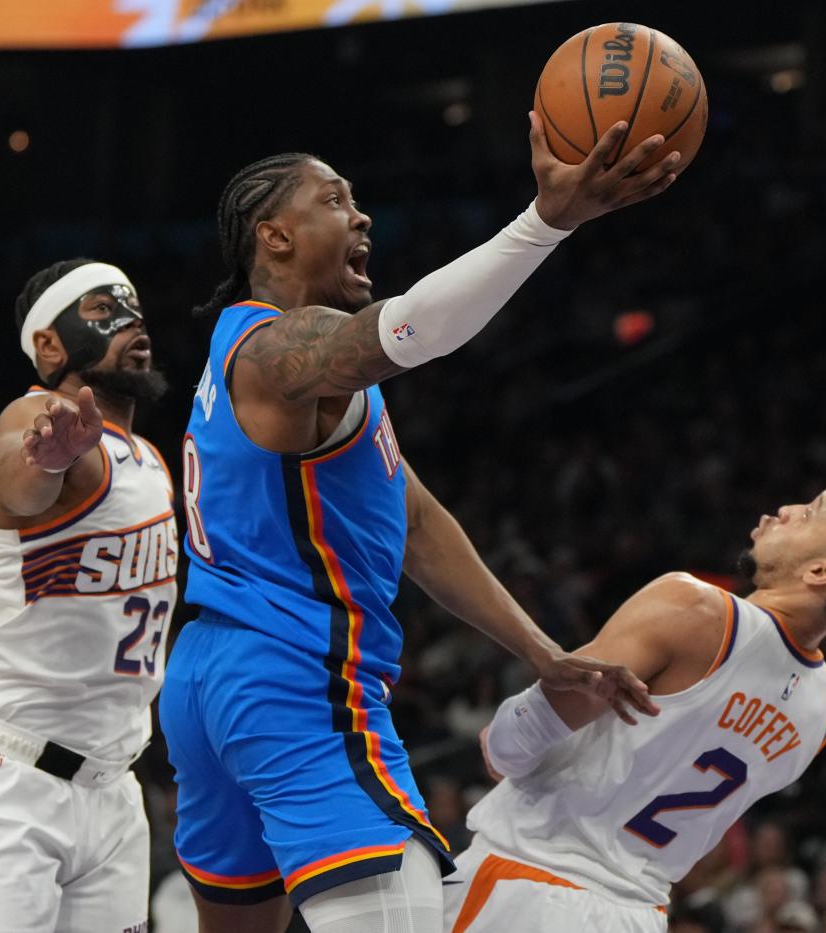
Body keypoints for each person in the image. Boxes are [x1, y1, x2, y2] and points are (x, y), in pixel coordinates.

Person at [162, 115, 680, 933]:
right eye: (335, 200)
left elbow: (413, 515)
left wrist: (540, 649)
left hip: (206, 676)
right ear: (275, 236)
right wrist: (544, 222)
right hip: (295, 676)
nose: (361, 214)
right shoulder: (277, 349)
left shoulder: (275, 366)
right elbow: (413, 329)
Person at [444, 483, 826, 932]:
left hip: (525, 889)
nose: (786, 509)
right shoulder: (820, 712)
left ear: (821, 571)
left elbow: (511, 746)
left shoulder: (695, 609)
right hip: (637, 914)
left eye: (811, 513)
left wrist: (501, 734)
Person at [0, 260, 177, 932]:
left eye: (133, 306)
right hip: (8, 782)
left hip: (114, 791)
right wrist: (44, 460)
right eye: (103, 310)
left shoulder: (150, 461)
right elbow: (18, 471)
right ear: (50, 346)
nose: (131, 321)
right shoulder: (36, 419)